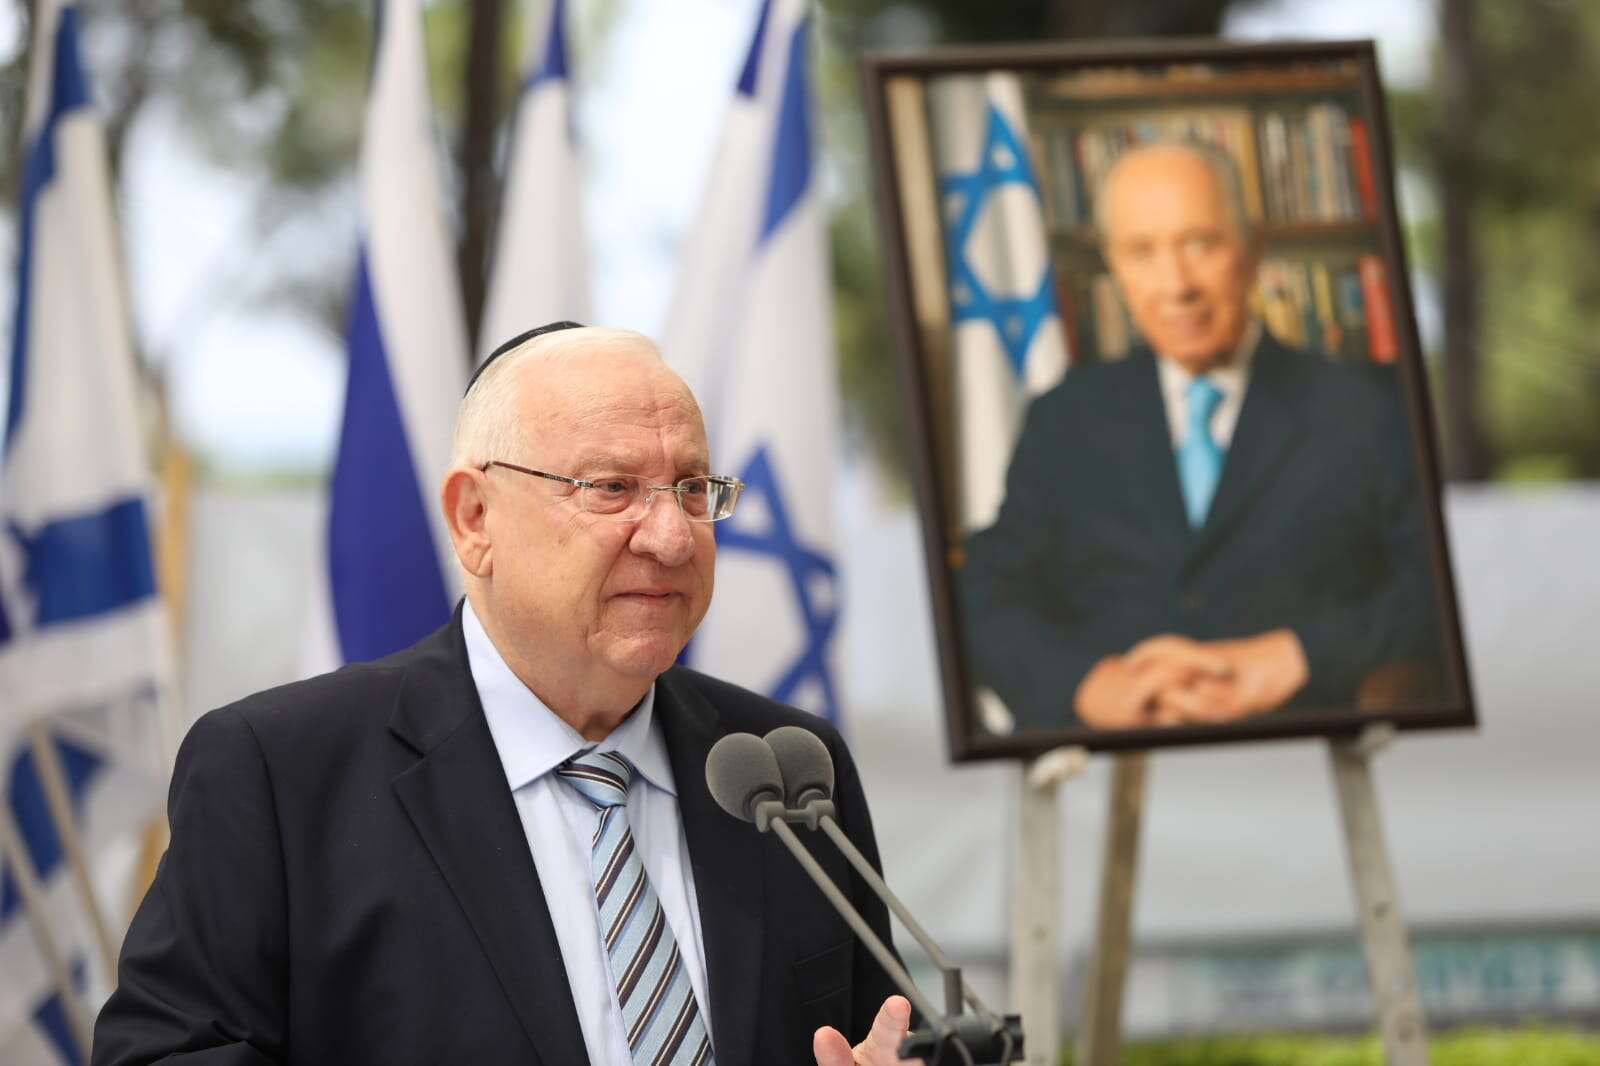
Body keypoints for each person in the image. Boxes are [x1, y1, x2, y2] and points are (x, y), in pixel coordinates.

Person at [92, 325, 919, 1066]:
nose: (672, 537)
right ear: (474, 518)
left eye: (694, 488)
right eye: (612, 487)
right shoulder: (282, 774)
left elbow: (881, 1031)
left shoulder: (783, 769)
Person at [960, 142, 1440, 733]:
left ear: (1252, 251)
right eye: (1142, 252)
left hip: (1301, 743)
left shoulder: (1366, 410)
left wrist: (1300, 655)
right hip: (1110, 751)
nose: (1175, 285)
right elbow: (987, 591)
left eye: (1200, 244)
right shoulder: (1063, 418)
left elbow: (1432, 585)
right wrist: (1084, 684)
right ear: (1113, 266)